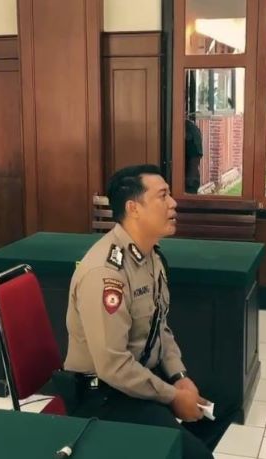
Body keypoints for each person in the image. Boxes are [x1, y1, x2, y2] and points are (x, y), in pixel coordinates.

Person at [64, 164, 214, 459]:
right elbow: (114, 366)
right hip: (105, 395)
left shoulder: (150, 256)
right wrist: (173, 396)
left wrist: (179, 376)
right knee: (197, 455)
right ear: (133, 208)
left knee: (223, 402)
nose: (173, 203)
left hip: (139, 378)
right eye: (163, 196)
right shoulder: (106, 273)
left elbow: (160, 327)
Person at [185, 117, 204, 194]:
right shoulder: (191, 127)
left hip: (189, 181)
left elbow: (195, 158)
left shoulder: (189, 129)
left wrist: (190, 182)